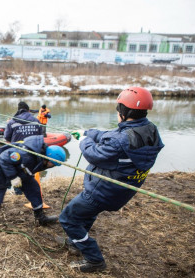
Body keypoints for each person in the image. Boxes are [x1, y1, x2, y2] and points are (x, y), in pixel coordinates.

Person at [59, 87, 164, 273]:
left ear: (124, 112)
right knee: (88, 214)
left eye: (118, 109)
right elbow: (111, 137)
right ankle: (75, 242)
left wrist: (83, 140)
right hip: (122, 191)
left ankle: (94, 260)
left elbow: (94, 154)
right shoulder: (150, 131)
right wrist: (88, 132)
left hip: (101, 191)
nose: (117, 112)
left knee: (68, 219)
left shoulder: (120, 139)